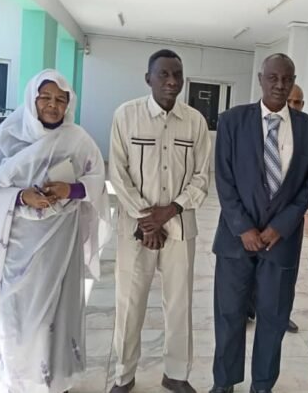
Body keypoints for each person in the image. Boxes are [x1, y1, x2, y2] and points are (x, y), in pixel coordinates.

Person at [0, 69, 111, 393]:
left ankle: (56, 381)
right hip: (18, 244)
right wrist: (22, 196)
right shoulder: (8, 136)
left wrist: (70, 190)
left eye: (60, 100)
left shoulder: (78, 139)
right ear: (32, 100)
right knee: (17, 313)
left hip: (60, 242)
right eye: (45, 98)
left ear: (69, 103)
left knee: (57, 314)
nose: (53, 105)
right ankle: (20, 380)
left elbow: (97, 181)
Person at [210, 53, 308, 393]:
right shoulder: (232, 121)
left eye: (286, 79)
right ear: (260, 79)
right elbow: (224, 178)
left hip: (281, 242)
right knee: (229, 315)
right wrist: (243, 227)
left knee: (273, 319)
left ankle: (262, 385)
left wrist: (281, 226)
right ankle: (224, 382)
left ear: (293, 81)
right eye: (273, 77)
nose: (279, 85)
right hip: (235, 240)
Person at [108, 49, 211, 393]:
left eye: (177, 75)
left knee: (180, 303)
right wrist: (146, 219)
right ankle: (124, 375)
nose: (171, 81)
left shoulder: (195, 121)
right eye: (164, 74)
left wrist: (169, 211)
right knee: (129, 301)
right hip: (135, 229)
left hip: (179, 228)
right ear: (148, 78)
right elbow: (117, 172)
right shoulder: (126, 115)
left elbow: (202, 177)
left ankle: (176, 374)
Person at [246, 82, 306, 334]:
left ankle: (281, 314)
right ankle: (247, 308)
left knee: (283, 278)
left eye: (297, 102)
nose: (292, 106)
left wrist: (282, 225)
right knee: (247, 271)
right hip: (250, 220)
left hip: (286, 225)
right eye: (289, 101)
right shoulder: (252, 126)